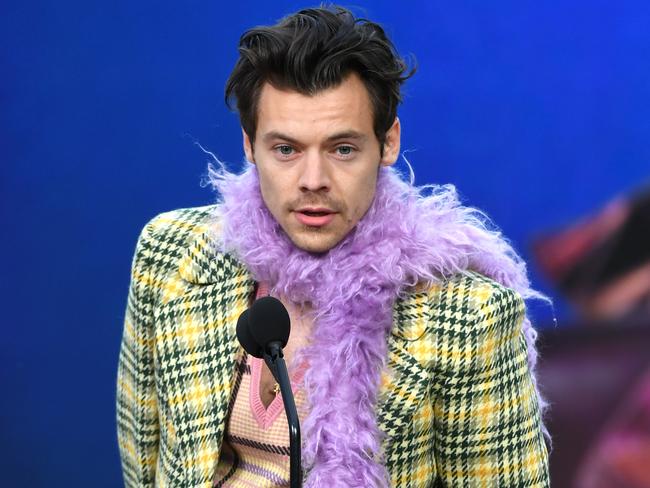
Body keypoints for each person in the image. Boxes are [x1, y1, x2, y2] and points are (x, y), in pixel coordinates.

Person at [116, 5, 550, 487]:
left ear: (388, 143)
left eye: (342, 149)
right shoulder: (171, 254)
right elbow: (145, 461)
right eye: (286, 150)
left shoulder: (468, 316)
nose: (313, 181)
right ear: (249, 146)